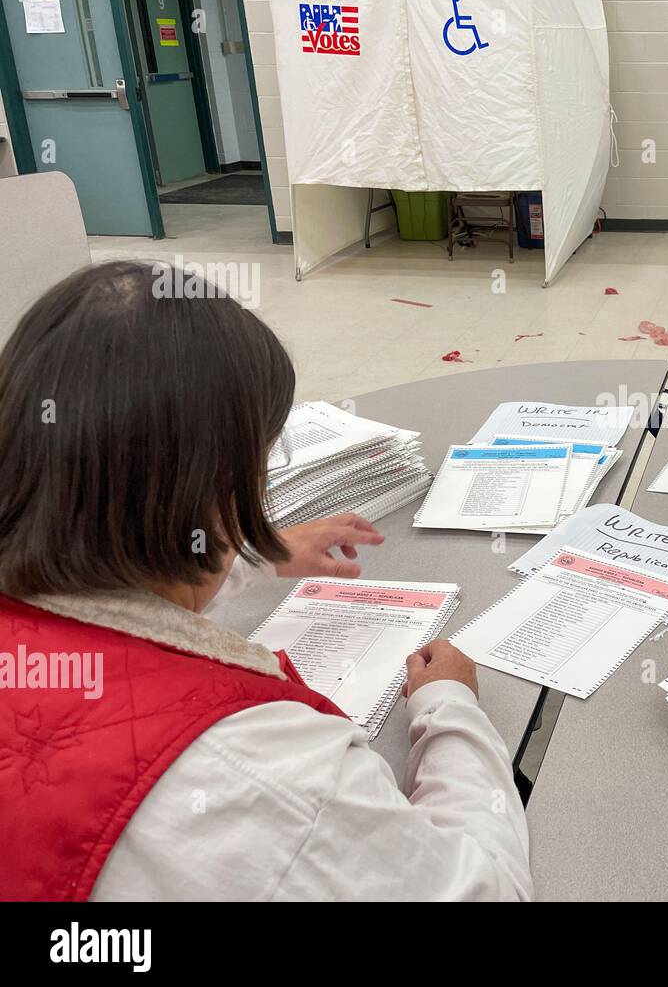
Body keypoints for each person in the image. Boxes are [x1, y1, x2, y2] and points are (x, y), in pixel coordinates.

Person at [0, 261, 532, 901]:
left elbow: (110, 600)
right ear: (215, 491)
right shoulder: (260, 774)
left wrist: (259, 553)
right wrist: (449, 711)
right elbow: (485, 890)